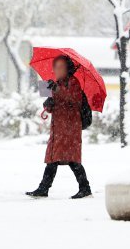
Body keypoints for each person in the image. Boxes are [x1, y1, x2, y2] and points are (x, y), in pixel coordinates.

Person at [25, 55, 92, 199]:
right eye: (55, 67)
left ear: (67, 69)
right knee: (54, 160)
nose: (56, 70)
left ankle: (84, 188)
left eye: (60, 67)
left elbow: (72, 99)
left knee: (71, 160)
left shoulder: (73, 82)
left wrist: (57, 91)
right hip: (58, 129)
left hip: (69, 129)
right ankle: (44, 188)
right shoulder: (58, 83)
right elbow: (54, 106)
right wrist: (48, 102)